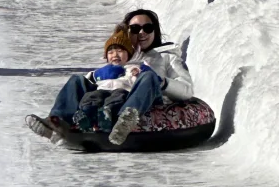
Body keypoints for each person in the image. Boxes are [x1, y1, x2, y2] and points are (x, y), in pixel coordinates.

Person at [26, 8, 194, 148]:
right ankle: (57, 123)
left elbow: (187, 90)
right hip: (112, 97)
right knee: (77, 80)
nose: (141, 33)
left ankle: (126, 119)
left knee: (148, 76)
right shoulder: (121, 54)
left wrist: (162, 82)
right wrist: (95, 77)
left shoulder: (167, 57)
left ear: (155, 31)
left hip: (147, 102)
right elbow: (98, 81)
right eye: (135, 29)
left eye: (147, 28)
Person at [72, 29, 149, 133]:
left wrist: (138, 72)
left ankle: (107, 115)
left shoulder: (133, 67)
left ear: (129, 54)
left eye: (120, 51)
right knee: (92, 96)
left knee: (117, 97)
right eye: (110, 52)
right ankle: (86, 116)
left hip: (122, 89)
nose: (115, 55)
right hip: (102, 89)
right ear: (106, 57)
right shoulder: (100, 71)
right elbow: (89, 79)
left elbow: (146, 78)